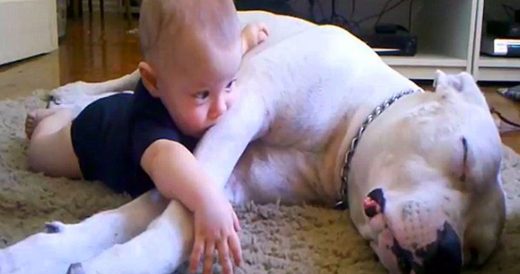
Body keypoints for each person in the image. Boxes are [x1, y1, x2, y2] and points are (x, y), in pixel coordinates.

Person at [23, 0, 268, 273]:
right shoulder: (151, 121)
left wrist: (245, 41)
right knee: (39, 155)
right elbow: (168, 160)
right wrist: (208, 201)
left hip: (121, 108)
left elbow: (218, 65)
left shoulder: (202, 78)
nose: (221, 107)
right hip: (91, 135)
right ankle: (57, 117)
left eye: (230, 85)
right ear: (153, 82)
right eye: (203, 95)